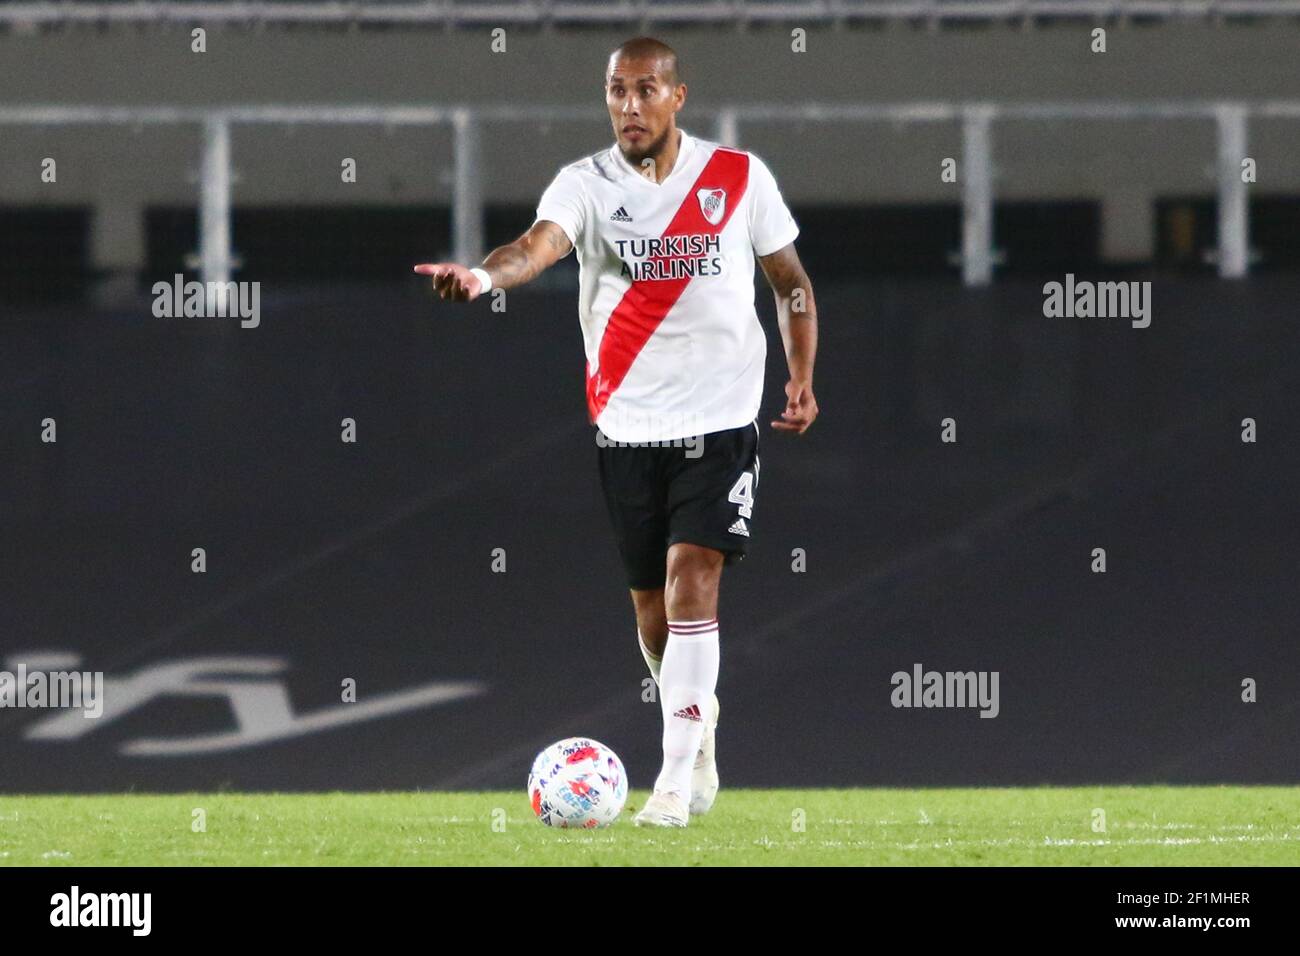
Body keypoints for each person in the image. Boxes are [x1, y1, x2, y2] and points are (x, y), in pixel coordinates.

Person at [414, 36, 819, 827]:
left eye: (645, 90)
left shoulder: (738, 178)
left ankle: (671, 780)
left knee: (692, 578)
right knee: (652, 615)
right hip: (628, 427)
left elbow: (790, 282)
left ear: (677, 96)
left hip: (723, 420)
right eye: (616, 92)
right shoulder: (584, 185)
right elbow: (536, 247)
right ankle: (697, 728)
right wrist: (485, 276)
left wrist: (801, 376)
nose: (629, 107)